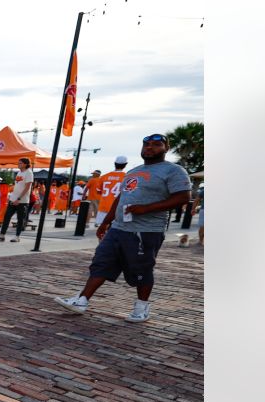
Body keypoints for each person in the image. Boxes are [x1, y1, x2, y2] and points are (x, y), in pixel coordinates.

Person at [55, 133, 192, 323]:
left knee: (142, 269)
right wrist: (106, 222)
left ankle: (141, 307)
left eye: (156, 145)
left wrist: (146, 208)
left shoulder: (174, 171)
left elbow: (183, 197)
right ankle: (81, 300)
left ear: (166, 148)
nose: (149, 148)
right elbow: (121, 198)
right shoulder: (133, 171)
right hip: (118, 228)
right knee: (101, 262)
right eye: (146, 145)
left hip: (146, 230)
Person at [0, 157, 34, 242]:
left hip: (22, 201)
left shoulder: (29, 173)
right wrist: (12, 197)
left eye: (20, 163)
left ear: (26, 164)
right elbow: (17, 186)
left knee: (20, 219)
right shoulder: (19, 172)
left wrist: (19, 198)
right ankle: (2, 235)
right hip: (13, 199)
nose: (18, 164)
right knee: (7, 217)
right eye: (18, 163)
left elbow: (27, 187)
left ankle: (17, 236)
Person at [94, 158, 129, 226]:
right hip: (117, 207)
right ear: (125, 165)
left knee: (102, 228)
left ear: (114, 164)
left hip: (104, 206)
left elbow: (98, 192)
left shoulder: (104, 176)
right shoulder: (126, 176)